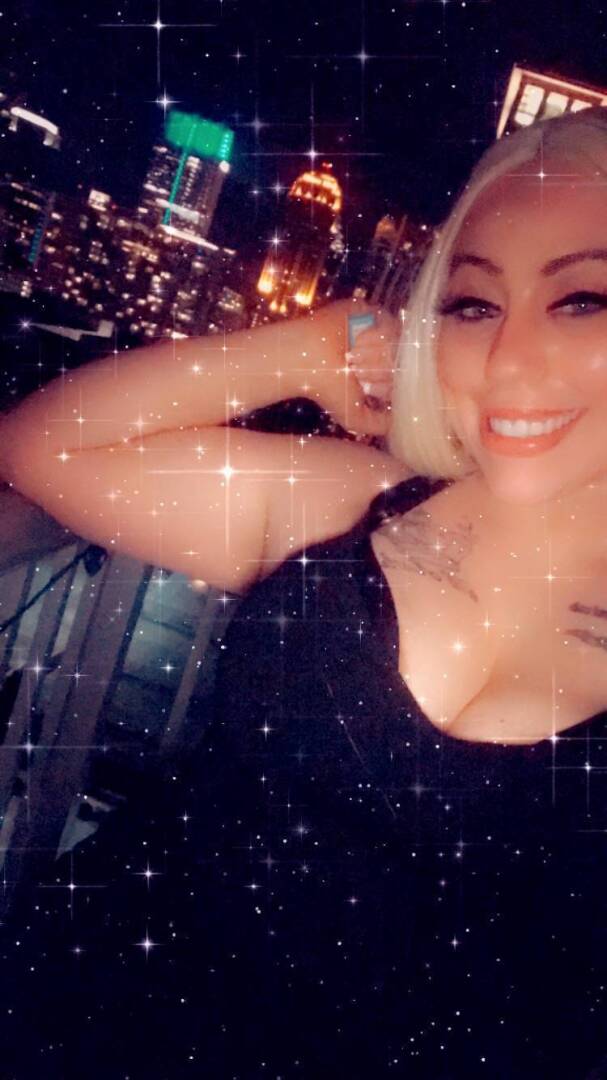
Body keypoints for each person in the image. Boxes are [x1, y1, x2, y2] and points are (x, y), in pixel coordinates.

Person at [1, 105, 607, 1078]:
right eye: (474, 305)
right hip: (77, 1017)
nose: (509, 359)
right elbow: (44, 448)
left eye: (581, 300)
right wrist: (307, 350)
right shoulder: (353, 507)